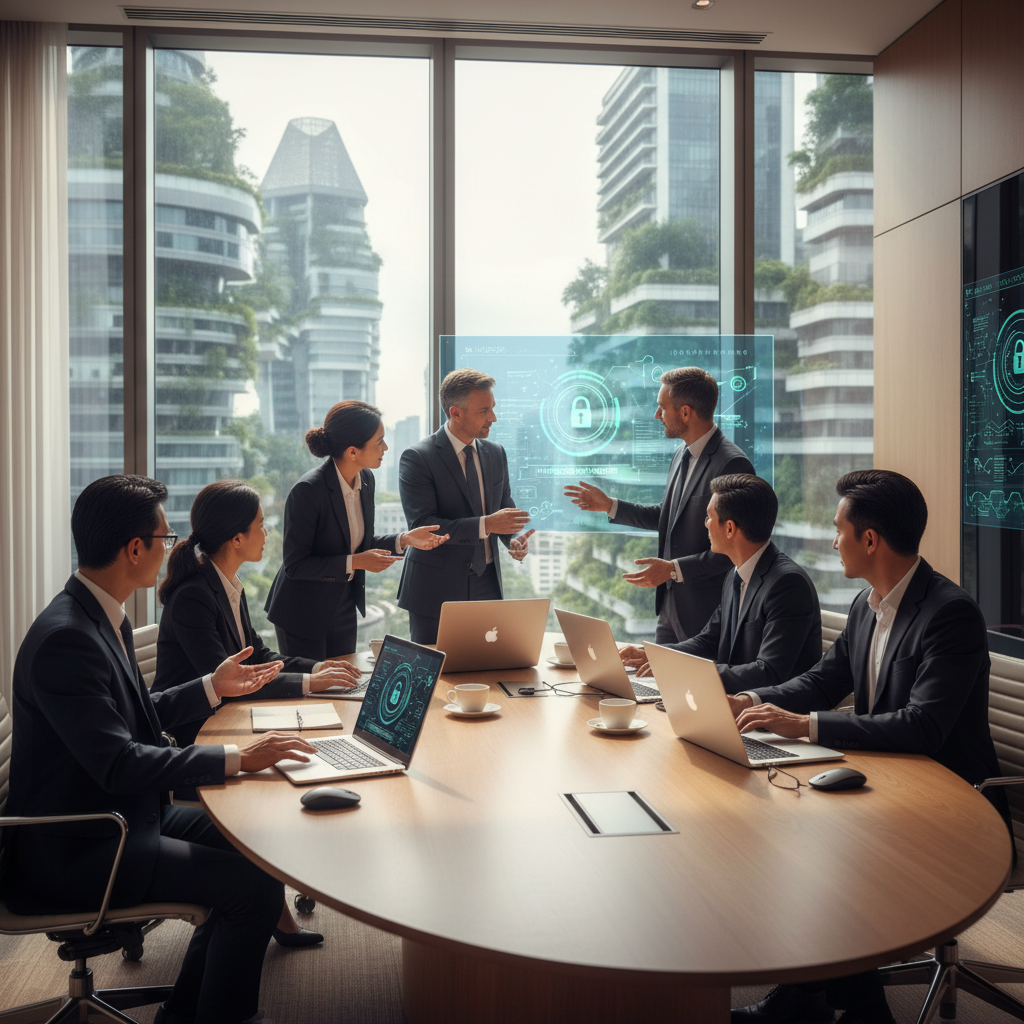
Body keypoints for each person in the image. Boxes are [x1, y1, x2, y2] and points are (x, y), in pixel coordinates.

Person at [2, 474, 319, 1024]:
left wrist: (212, 686)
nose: (172, 548)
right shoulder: (67, 638)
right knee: (248, 890)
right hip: (77, 846)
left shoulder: (97, 614)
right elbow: (119, 763)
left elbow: (132, 716)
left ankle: (184, 1013)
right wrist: (237, 758)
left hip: (120, 817)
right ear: (134, 549)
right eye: (164, 538)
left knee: (257, 850)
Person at [729, 469, 1010, 1024]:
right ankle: (810, 999)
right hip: (888, 782)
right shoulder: (867, 604)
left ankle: (851, 1010)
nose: (834, 541)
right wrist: (751, 698)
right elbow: (822, 682)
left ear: (871, 539)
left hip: (956, 803)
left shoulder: (949, 614)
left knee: (824, 854)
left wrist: (804, 726)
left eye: (839, 530)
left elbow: (922, 727)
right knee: (786, 832)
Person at [153, 479, 364, 948]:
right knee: (283, 766)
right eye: (261, 525)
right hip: (192, 733)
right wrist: (309, 684)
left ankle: (275, 910)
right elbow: (231, 681)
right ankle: (273, 909)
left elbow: (259, 655)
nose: (267, 534)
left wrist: (316, 668)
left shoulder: (227, 584)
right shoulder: (194, 595)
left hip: (225, 716)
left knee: (305, 744)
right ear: (236, 538)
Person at [565, 366, 753, 643]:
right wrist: (609, 505)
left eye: (662, 407)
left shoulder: (732, 465)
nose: (657, 415)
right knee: (655, 670)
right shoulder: (681, 454)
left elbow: (737, 550)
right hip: (670, 606)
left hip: (707, 615)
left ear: (685, 412)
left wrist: (673, 569)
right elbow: (667, 517)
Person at [265, 400, 448, 659]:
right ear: (352, 451)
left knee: (343, 678)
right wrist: (356, 562)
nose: (386, 448)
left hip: (343, 604)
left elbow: (357, 542)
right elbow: (295, 565)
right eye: (379, 442)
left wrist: (404, 539)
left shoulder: (366, 479)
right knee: (314, 683)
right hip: (302, 612)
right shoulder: (308, 490)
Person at [617, 473, 822, 692]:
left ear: (730, 528)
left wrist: (682, 669)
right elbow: (708, 641)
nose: (705, 524)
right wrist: (654, 654)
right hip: (732, 700)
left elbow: (769, 672)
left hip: (768, 708)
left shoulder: (788, 585)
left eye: (709, 517)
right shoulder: (735, 574)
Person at [397, 368, 534, 645]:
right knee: (437, 668)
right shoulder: (417, 458)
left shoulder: (496, 453)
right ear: (456, 413)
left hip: (488, 584)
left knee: (487, 666)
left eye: (492, 408)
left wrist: (513, 539)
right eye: (484, 411)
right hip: (435, 590)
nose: (493, 417)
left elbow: (504, 509)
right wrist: (486, 524)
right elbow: (423, 526)